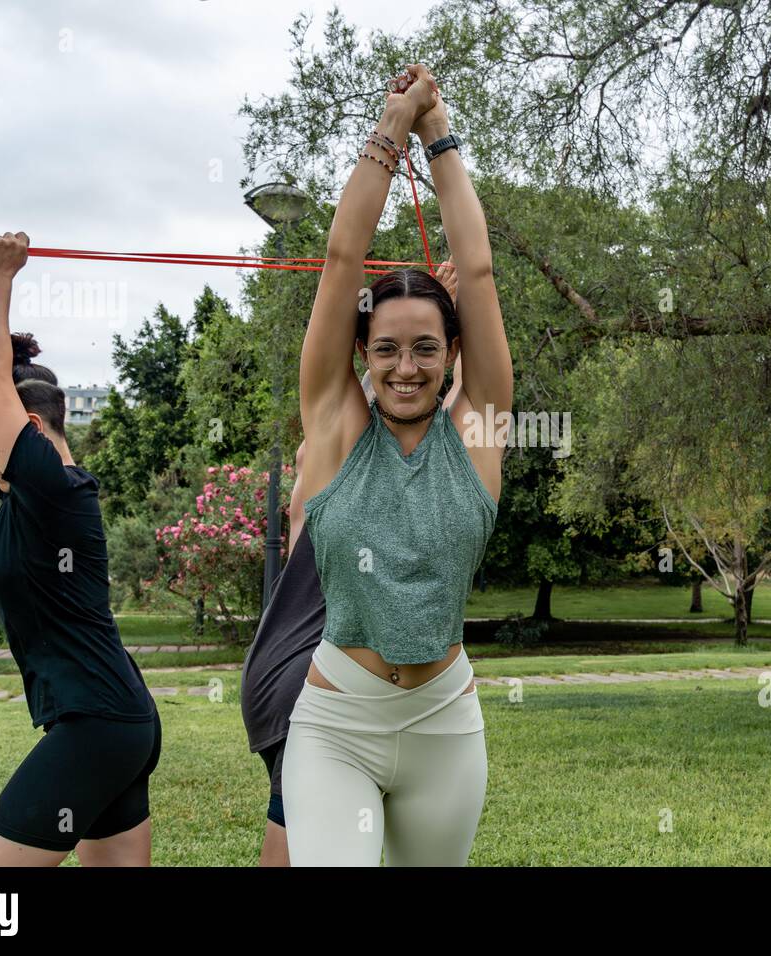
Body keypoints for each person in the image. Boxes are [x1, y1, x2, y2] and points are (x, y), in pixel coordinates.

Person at [281, 63, 512, 866]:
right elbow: (343, 261)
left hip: (446, 724)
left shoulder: (477, 431)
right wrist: (393, 124)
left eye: (425, 348)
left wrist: (438, 130)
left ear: (455, 353)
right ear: (362, 355)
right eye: (385, 348)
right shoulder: (337, 427)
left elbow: (475, 271)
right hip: (337, 724)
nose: (405, 367)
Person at [240, 261, 460, 867]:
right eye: (383, 353)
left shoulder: (323, 468)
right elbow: (443, 409)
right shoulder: (354, 469)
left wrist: (426, 322)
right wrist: (436, 327)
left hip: (276, 664)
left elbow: (422, 403)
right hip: (315, 679)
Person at [0, 234, 161, 866]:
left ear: (32, 430)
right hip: (116, 719)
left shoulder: (50, 488)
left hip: (96, 724)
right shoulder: (28, 499)